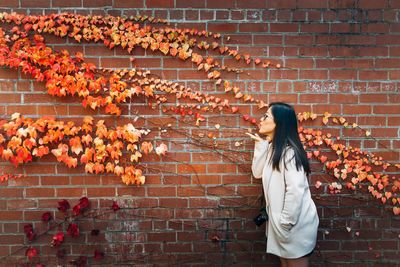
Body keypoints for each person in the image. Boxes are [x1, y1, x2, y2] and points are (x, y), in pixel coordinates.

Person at [246, 102, 319, 267]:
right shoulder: (274, 149)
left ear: (279, 123)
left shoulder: (290, 153)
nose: (261, 119)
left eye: (266, 116)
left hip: (294, 225)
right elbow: (257, 172)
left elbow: (295, 191)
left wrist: (285, 223)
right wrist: (261, 146)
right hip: (282, 225)